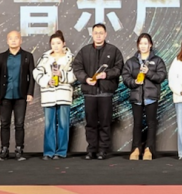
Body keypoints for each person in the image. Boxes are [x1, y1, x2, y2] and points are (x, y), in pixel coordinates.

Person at [72, 23, 124, 160]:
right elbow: (77, 67)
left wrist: (106, 74)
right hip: (90, 93)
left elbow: (119, 68)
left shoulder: (113, 50)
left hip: (106, 93)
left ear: (105, 34)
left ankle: (103, 150)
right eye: (96, 33)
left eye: (101, 33)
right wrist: (86, 79)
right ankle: (91, 150)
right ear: (92, 34)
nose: (98, 35)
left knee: (105, 123)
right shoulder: (84, 51)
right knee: (90, 123)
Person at [122, 33, 167, 161]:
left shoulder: (157, 61)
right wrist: (134, 82)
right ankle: (136, 149)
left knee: (151, 123)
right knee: (137, 124)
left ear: (150, 45)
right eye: (141, 43)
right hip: (136, 97)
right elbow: (125, 77)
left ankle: (149, 149)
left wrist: (148, 72)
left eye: (145, 43)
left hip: (151, 97)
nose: (143, 46)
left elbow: (161, 76)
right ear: (138, 45)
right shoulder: (131, 61)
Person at [0, 30, 35, 161]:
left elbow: (32, 76)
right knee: (4, 123)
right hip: (5, 95)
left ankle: (19, 150)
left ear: (21, 40)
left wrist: (30, 92)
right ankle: (4, 149)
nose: (13, 40)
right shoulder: (1, 57)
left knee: (19, 124)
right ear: (7, 41)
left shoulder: (28, 56)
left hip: (21, 95)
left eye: (16, 38)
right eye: (11, 38)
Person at [32, 30, 75, 160]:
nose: (56, 46)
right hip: (48, 95)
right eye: (53, 43)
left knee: (63, 123)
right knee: (49, 124)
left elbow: (74, 75)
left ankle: (61, 151)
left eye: (58, 43)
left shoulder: (70, 58)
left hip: (64, 94)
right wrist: (47, 80)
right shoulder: (45, 58)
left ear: (64, 43)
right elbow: (36, 72)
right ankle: (49, 152)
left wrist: (61, 75)